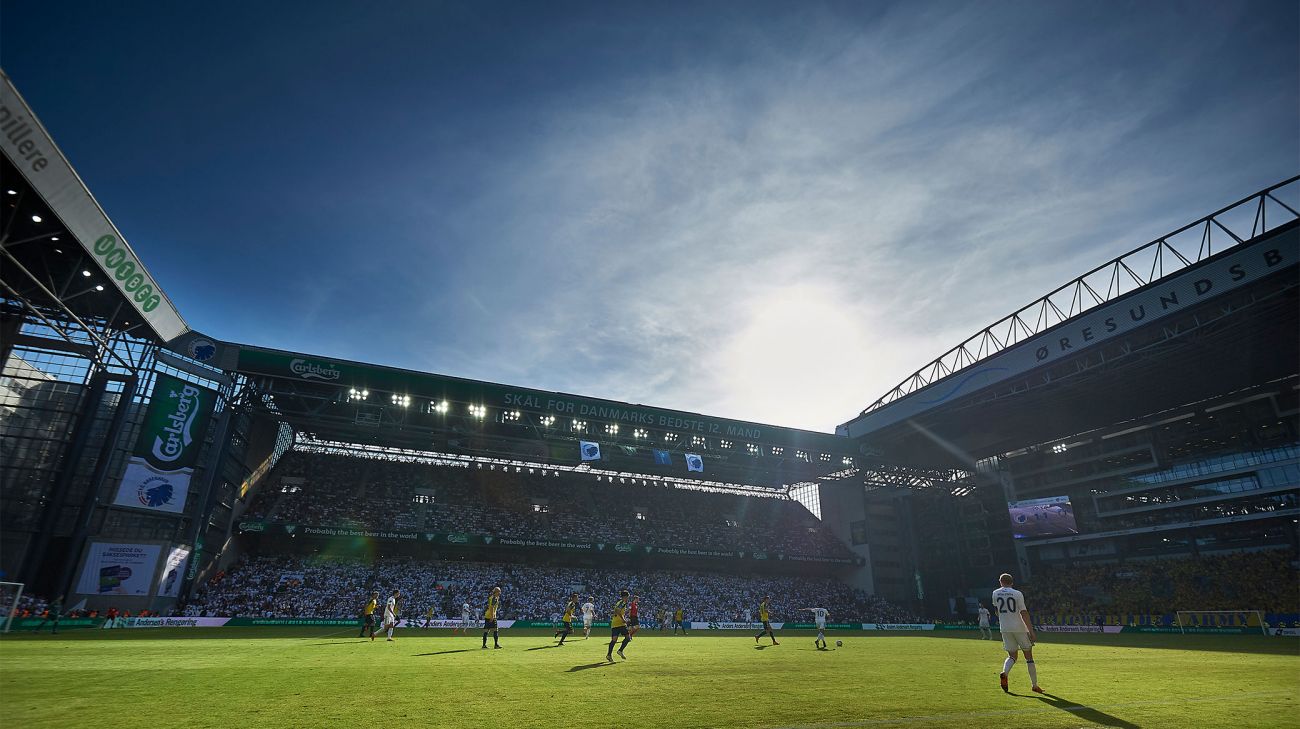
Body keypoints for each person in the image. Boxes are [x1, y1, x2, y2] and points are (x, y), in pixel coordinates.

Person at [993, 573, 1041, 694]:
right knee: (1029, 657)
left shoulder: (995, 593)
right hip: (1019, 628)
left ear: (1000, 582)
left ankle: (1005, 673)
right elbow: (1023, 612)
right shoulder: (1017, 593)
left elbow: (997, 611)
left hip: (1005, 628)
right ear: (1012, 582)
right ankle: (1034, 685)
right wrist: (1031, 630)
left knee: (1012, 656)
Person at [607, 589, 632, 661]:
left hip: (619, 624)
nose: (628, 598)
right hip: (617, 623)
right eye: (627, 597)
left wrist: (626, 611)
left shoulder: (620, 603)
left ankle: (620, 651)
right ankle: (609, 655)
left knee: (628, 638)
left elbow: (616, 611)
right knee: (615, 640)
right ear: (625, 597)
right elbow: (618, 612)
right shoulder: (622, 603)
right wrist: (623, 619)